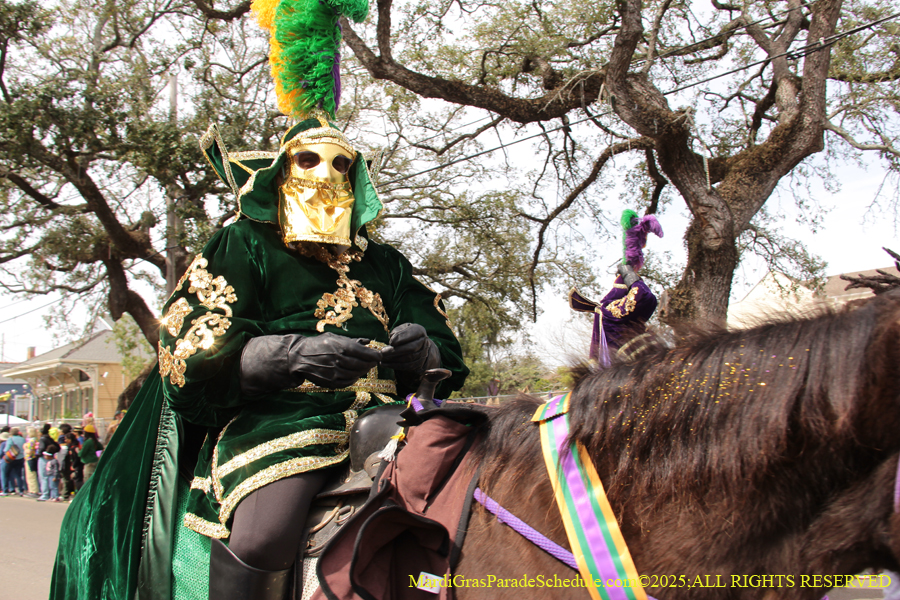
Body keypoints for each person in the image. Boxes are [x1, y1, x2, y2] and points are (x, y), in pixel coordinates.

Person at [51, 0, 468, 597]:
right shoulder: (243, 243)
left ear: (357, 180)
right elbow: (189, 345)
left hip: (393, 417)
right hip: (282, 419)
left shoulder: (386, 262)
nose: (326, 174)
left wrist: (419, 348)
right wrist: (291, 355)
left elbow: (445, 349)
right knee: (267, 532)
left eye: (341, 164)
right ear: (280, 172)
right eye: (309, 160)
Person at [569, 209, 664, 366]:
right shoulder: (610, 310)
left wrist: (628, 274)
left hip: (633, 361)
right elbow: (645, 298)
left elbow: (644, 297)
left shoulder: (608, 311)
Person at [2, 427, 26, 496]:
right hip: (20, 458)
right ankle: (21, 490)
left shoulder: (10, 439)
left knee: (6, 474)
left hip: (11, 458)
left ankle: (5, 490)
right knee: (19, 475)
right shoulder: (22, 439)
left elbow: (6, 449)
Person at [23, 426, 40, 497]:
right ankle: (33, 490)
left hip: (30, 458)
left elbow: (29, 451)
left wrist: (24, 447)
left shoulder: (31, 441)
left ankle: (33, 491)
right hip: (33, 459)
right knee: (32, 475)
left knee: (31, 476)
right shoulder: (36, 440)